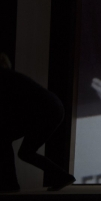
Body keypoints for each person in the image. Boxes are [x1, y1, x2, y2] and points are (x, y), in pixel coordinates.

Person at [0, 53, 76, 192]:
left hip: (45, 111)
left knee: (6, 141)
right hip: (52, 109)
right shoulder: (9, 77)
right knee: (24, 151)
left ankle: (11, 185)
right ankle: (62, 176)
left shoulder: (4, 78)